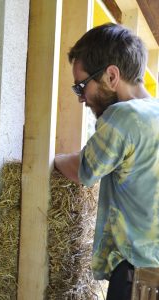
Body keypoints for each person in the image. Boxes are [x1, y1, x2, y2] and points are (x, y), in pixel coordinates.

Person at [54, 23, 159, 300]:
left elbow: (84, 170)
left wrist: (54, 159)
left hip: (138, 279)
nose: (81, 99)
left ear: (112, 75)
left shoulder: (124, 116)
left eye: (81, 86)